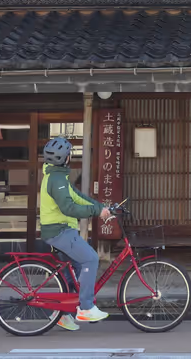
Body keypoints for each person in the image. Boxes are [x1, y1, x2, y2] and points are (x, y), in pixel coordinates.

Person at [40, 137, 112, 331]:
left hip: (60, 231)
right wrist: (97, 212)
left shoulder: (57, 177)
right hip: (60, 231)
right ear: (65, 157)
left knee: (74, 274)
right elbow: (69, 207)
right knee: (90, 259)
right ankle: (86, 307)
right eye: (70, 153)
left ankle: (64, 315)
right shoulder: (56, 180)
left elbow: (78, 197)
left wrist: (101, 207)